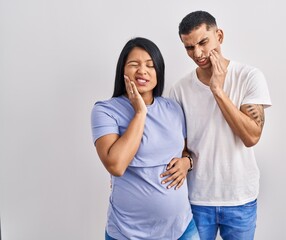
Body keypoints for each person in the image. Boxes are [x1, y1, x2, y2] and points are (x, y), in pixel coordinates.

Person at [169, 11, 272, 240]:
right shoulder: (179, 90)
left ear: (220, 36)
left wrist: (217, 90)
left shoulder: (249, 77)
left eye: (203, 42)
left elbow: (251, 137)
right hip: (196, 199)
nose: (198, 53)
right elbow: (179, 146)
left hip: (239, 199)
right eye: (189, 47)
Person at [91, 37, 199, 240]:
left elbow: (184, 149)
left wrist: (187, 162)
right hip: (127, 233)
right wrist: (140, 112)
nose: (143, 70)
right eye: (134, 64)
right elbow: (116, 165)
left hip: (182, 228)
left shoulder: (173, 108)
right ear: (122, 69)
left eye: (150, 65)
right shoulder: (105, 110)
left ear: (159, 72)